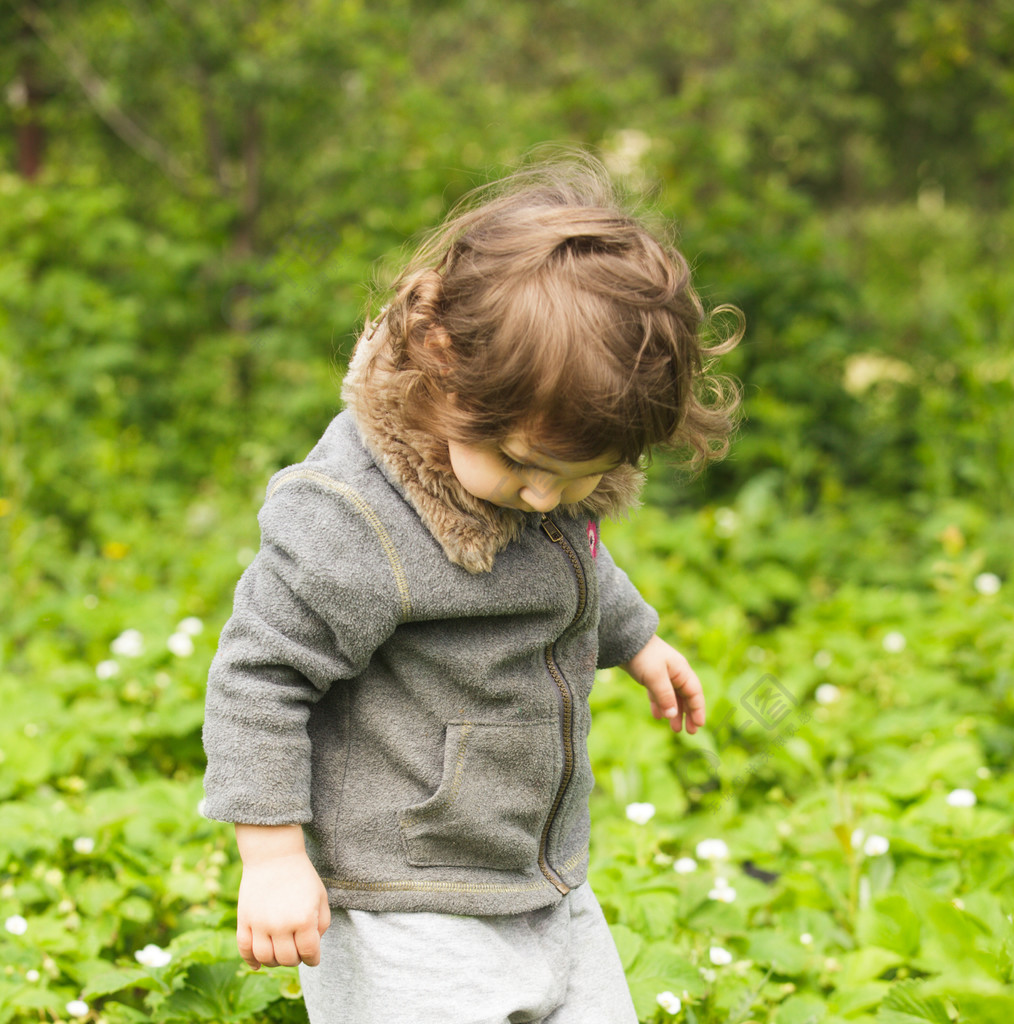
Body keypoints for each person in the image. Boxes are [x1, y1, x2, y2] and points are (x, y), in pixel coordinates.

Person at [201, 155, 741, 1024]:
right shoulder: (353, 519)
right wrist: (270, 858)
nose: (540, 499)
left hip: (542, 876)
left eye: (578, 478)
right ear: (444, 364)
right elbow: (258, 679)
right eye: (523, 466)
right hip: (400, 898)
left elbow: (575, 562)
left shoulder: (543, 475)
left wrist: (635, 638)